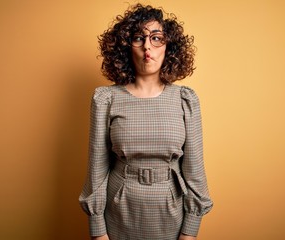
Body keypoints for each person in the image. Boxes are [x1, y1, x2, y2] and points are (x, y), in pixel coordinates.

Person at [79, 4, 213, 240]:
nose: (147, 46)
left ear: (169, 47)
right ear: (125, 47)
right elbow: (97, 169)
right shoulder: (106, 98)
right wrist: (98, 231)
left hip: (171, 213)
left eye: (156, 38)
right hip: (118, 213)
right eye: (138, 38)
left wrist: (190, 230)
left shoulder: (185, 99)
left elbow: (194, 170)